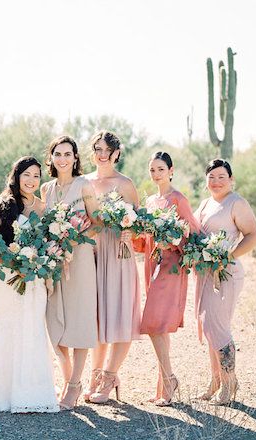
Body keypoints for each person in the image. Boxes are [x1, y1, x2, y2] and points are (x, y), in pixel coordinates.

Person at [0, 156, 60, 413]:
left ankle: (33, 392)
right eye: (26, 175)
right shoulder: (3, 205)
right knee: (7, 327)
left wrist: (35, 264)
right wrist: (12, 263)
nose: (31, 180)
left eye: (36, 176)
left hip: (34, 278)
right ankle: (0, 391)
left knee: (32, 328)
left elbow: (50, 244)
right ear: (16, 176)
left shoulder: (43, 209)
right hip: (6, 276)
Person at [133, 151, 199, 406]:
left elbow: (192, 232)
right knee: (158, 324)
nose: (156, 174)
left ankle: (169, 379)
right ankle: (163, 385)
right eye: (152, 170)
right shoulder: (151, 202)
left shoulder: (178, 199)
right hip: (153, 261)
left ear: (171, 171)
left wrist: (173, 239)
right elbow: (144, 239)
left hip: (171, 264)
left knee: (153, 324)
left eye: (161, 169)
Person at [41, 135, 100, 410]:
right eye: (58, 154)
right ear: (51, 158)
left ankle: (75, 384)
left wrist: (76, 239)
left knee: (79, 317)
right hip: (54, 259)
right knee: (53, 319)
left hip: (81, 258)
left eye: (68, 154)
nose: (63, 159)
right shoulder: (46, 189)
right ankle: (66, 378)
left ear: (76, 158)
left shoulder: (84, 185)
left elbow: (98, 223)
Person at [194, 158, 256, 405]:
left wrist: (228, 255)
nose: (216, 181)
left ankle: (230, 382)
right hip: (204, 273)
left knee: (218, 326)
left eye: (222, 177)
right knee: (208, 328)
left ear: (231, 180)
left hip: (226, 273)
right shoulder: (204, 204)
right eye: (211, 177)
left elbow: (254, 236)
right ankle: (215, 381)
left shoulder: (236, 202)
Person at [84, 131, 142, 404]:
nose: (102, 153)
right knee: (97, 317)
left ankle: (109, 376)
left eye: (108, 149)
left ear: (117, 153)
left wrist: (131, 232)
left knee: (119, 314)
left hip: (118, 254)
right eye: (97, 148)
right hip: (92, 253)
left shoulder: (125, 184)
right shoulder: (84, 182)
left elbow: (139, 222)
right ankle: (95, 374)